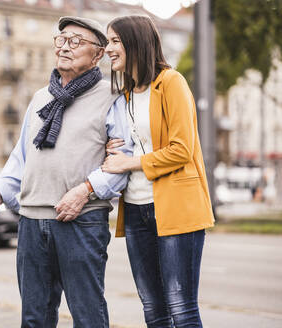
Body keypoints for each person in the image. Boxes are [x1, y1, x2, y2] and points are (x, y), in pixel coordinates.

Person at [0, 16, 133, 328]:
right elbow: (21, 159)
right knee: (34, 319)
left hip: (81, 220)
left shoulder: (111, 96)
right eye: (61, 39)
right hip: (32, 222)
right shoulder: (40, 99)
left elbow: (121, 162)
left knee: (87, 317)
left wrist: (84, 190)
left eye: (76, 41)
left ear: (98, 54)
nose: (65, 46)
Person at [101, 15, 215, 327]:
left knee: (181, 308)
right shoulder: (124, 95)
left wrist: (130, 162)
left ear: (134, 42)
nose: (108, 48)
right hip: (136, 210)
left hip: (176, 208)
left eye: (114, 41)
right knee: (153, 309)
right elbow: (128, 146)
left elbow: (182, 149)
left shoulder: (171, 83)